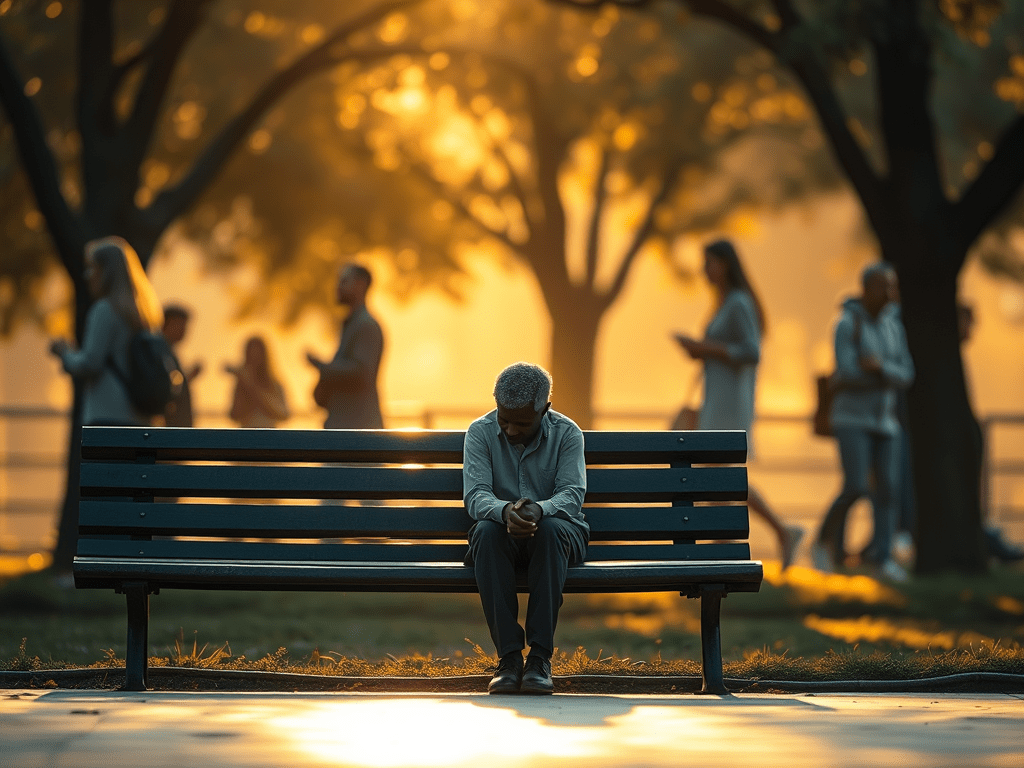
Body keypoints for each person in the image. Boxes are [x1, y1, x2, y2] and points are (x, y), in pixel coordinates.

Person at [672, 239, 804, 570]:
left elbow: (751, 351)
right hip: (718, 400)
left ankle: (780, 530)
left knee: (721, 477)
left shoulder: (739, 304)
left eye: (709, 263)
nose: (704, 271)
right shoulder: (726, 303)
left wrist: (704, 348)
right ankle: (726, 551)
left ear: (726, 264)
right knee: (719, 480)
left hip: (730, 405)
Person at [463, 362, 588, 695]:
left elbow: (572, 495)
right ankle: (509, 658)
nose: (510, 430)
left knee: (550, 531)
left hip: (557, 534)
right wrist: (506, 512)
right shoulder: (480, 432)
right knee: (486, 534)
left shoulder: (567, 433)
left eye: (521, 422)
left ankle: (540, 659)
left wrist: (539, 510)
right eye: (504, 419)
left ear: (545, 409)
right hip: (499, 531)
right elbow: (476, 495)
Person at [810, 263, 915, 581]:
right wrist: (879, 373)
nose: (890, 294)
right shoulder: (847, 324)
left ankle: (881, 558)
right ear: (867, 288)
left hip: (885, 421)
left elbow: (907, 373)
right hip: (851, 419)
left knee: (888, 490)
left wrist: (879, 369)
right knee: (856, 485)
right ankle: (823, 542)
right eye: (884, 287)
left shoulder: (893, 326)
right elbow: (847, 372)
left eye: (893, 287)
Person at [49, 236, 164, 426]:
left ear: (106, 272)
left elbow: (90, 364)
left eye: (93, 268)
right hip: (140, 417)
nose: (88, 275)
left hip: (107, 415)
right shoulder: (143, 313)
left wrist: (65, 354)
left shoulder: (105, 311)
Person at [306, 263, 384, 428]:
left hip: (357, 431)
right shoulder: (353, 325)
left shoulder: (365, 326)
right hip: (347, 428)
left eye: (344, 281)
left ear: (360, 284)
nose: (338, 287)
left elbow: (360, 374)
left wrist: (322, 367)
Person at [226, 335, 290, 428]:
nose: (255, 358)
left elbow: (283, 414)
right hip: (246, 437)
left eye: (257, 354)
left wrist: (251, 385)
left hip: (269, 438)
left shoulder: (274, 384)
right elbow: (234, 415)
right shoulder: (241, 385)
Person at [161, 304, 203, 427]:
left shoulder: (170, 352)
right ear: (168, 323)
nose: (184, 330)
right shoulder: (161, 352)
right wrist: (189, 377)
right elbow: (168, 389)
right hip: (171, 429)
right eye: (180, 325)